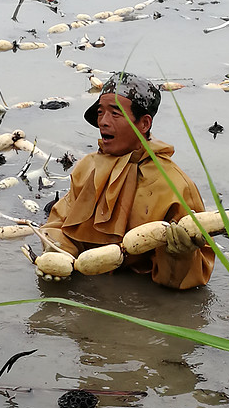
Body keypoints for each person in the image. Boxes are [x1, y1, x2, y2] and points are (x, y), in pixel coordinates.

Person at [39, 72, 215, 289]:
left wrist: (180, 254)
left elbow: (192, 278)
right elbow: (58, 223)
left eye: (115, 114)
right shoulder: (88, 167)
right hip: (86, 284)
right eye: (101, 113)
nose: (103, 122)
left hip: (140, 300)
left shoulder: (176, 186)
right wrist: (56, 252)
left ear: (144, 123)